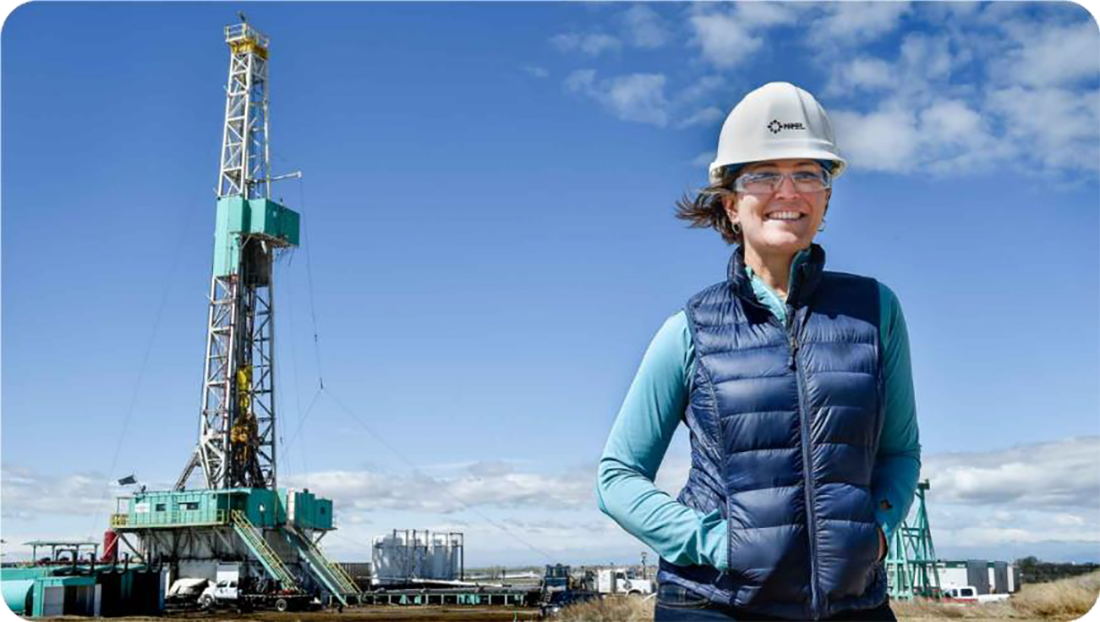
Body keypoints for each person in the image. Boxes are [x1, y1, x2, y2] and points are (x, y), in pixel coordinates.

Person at [596, 82, 921, 622]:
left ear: (827, 197)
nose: (787, 192)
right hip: (715, 604)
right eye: (763, 174)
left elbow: (900, 453)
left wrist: (877, 534)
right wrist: (717, 545)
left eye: (807, 173)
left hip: (853, 604)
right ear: (731, 203)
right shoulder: (690, 330)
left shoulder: (876, 310)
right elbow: (617, 477)